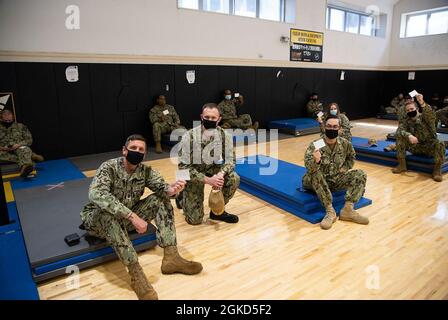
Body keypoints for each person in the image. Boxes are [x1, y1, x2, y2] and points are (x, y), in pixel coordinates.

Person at [80, 134, 202, 300]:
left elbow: (161, 187)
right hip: (98, 220)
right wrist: (132, 216)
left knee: (161, 199)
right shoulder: (109, 167)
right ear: (124, 150)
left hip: (124, 219)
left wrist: (171, 189)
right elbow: (96, 194)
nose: (137, 152)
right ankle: (136, 274)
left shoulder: (145, 171)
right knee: (107, 214)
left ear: (144, 154)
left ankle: (171, 257)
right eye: (133, 148)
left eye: (141, 150)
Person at [177, 103, 240, 225]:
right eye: (207, 117)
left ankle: (217, 212)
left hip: (213, 169)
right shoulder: (188, 136)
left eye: (213, 118)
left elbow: (231, 160)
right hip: (193, 173)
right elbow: (182, 168)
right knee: (195, 220)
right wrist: (208, 180)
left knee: (233, 178)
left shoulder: (224, 135)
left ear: (219, 119)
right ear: (201, 117)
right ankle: (182, 197)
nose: (209, 120)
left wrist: (220, 175)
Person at [303, 115, 369, 230]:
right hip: (315, 180)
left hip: (335, 179)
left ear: (340, 129)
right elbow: (310, 168)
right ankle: (330, 211)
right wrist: (317, 160)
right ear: (324, 127)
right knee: (315, 173)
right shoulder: (317, 144)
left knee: (360, 174)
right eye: (328, 126)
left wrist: (345, 168)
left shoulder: (344, 144)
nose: (331, 129)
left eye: (335, 127)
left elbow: (351, 157)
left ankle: (348, 210)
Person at [392, 94, 445, 182]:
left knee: (440, 143)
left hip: (428, 148)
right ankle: (402, 165)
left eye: (412, 109)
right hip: (415, 147)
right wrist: (409, 135)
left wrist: (421, 102)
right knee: (400, 137)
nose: (410, 111)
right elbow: (399, 130)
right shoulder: (407, 121)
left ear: (417, 109)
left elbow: (430, 114)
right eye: (408, 110)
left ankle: (437, 170)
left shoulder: (426, 118)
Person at [0, 109, 44, 177]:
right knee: (26, 153)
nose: (8, 119)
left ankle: (25, 168)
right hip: (3, 150)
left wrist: (18, 145)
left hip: (19, 148)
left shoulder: (21, 126)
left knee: (25, 149)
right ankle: (31, 156)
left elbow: (29, 140)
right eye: (6, 119)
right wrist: (4, 148)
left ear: (13, 117)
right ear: (1, 118)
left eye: (9, 117)